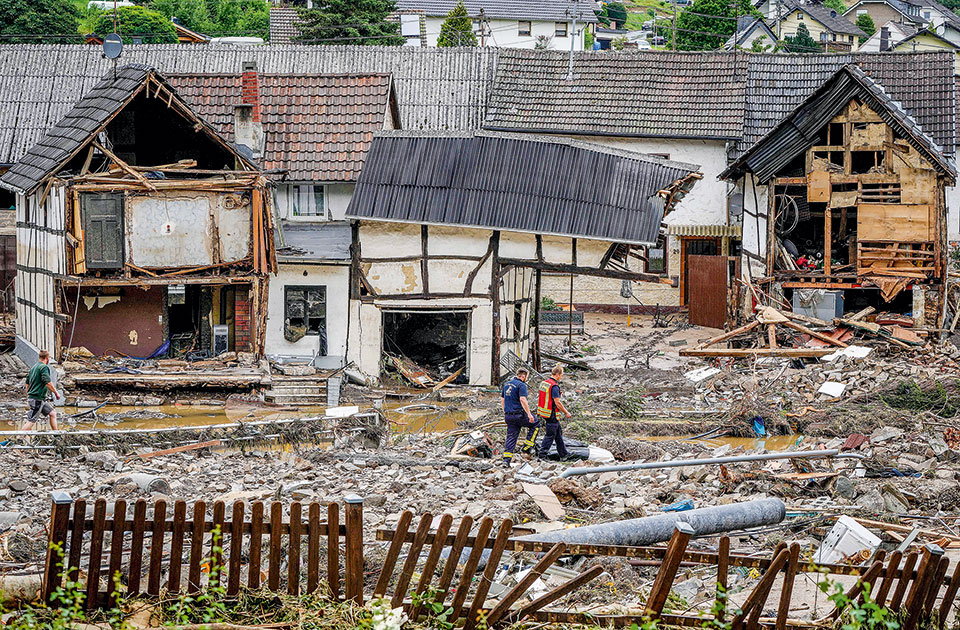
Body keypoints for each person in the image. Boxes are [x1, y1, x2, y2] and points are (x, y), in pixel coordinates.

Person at [500, 367, 538, 465]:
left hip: (508, 416)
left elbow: (503, 400)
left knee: (511, 437)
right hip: (519, 415)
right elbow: (523, 400)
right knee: (536, 423)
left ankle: (506, 461)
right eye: (526, 377)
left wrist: (506, 412)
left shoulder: (506, 385)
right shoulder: (521, 385)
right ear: (523, 376)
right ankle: (526, 447)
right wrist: (529, 414)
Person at [537, 364, 571, 460]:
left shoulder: (544, 383)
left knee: (558, 433)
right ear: (558, 374)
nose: (561, 377)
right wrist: (566, 412)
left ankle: (564, 454)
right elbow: (557, 402)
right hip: (551, 413)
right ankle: (542, 455)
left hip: (544, 412)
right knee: (550, 435)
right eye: (561, 375)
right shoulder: (554, 386)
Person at [24, 350, 60, 431]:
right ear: (47, 358)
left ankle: (56, 435)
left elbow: (27, 384)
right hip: (37, 399)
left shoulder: (33, 368)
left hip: (40, 399)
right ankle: (16, 439)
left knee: (52, 413)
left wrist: (28, 396)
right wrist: (56, 393)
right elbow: (48, 382)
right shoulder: (44, 367)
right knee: (31, 421)